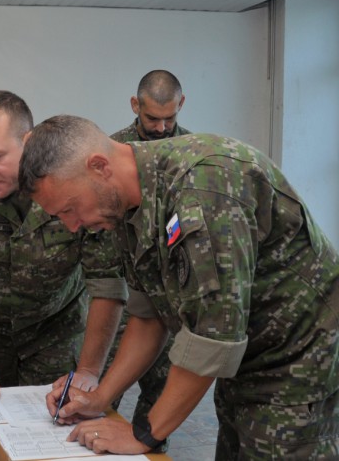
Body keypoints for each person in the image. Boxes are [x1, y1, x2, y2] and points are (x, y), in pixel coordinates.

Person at [20, 115, 339, 459]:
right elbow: (149, 316)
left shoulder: (203, 188)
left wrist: (144, 434)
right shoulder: (126, 205)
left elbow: (213, 338)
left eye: (70, 208)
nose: (71, 226)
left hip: (297, 361)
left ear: (99, 167)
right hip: (247, 362)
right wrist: (99, 398)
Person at [0, 90, 125, 402]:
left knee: (54, 425)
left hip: (57, 332)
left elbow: (107, 282)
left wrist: (88, 371)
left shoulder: (68, 176)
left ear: (26, 142)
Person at [103, 70, 190, 434]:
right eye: (152, 118)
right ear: (135, 105)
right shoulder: (111, 152)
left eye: (169, 118)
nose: (160, 127)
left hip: (171, 297)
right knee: (105, 393)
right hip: (122, 295)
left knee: (159, 395)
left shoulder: (192, 155)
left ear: (181, 105)